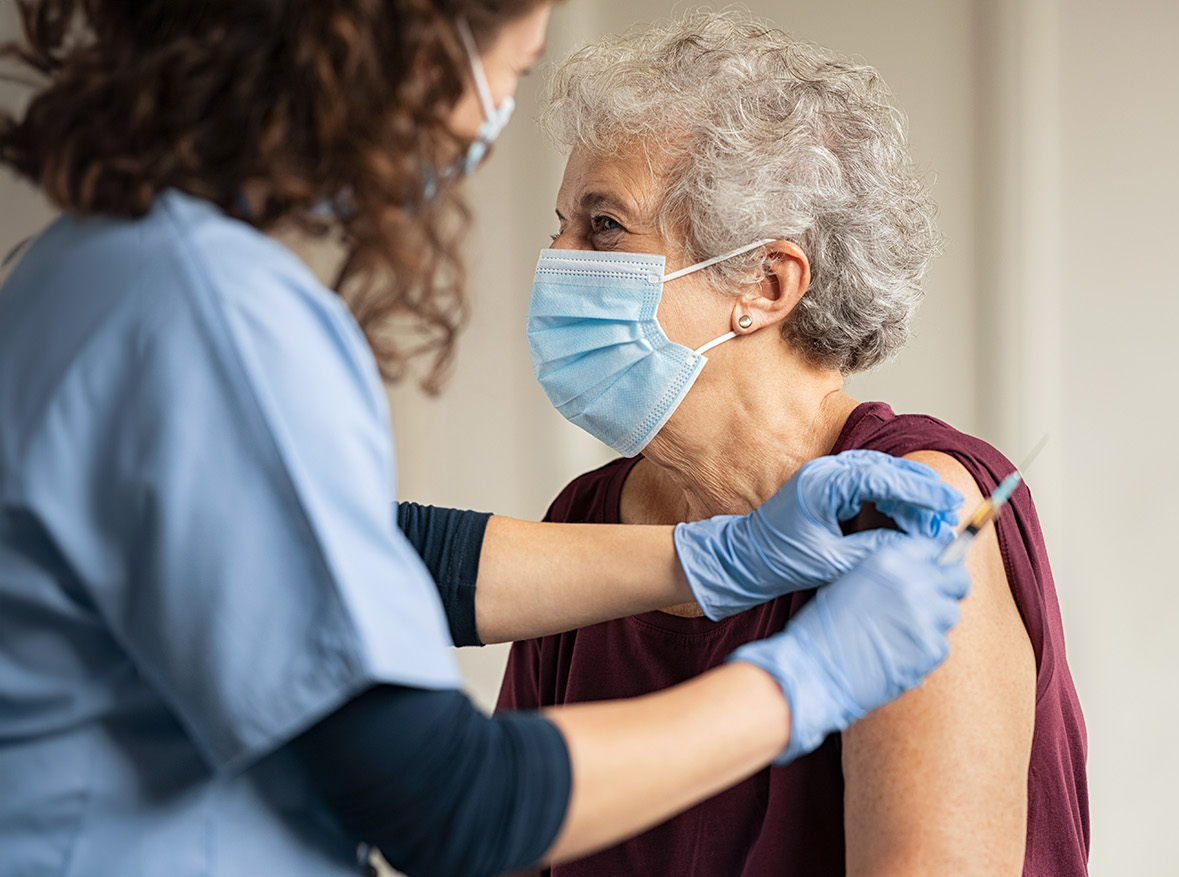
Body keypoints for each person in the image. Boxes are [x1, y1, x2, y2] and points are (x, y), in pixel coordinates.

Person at [0, 3, 974, 876]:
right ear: (419, 50)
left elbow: (344, 559)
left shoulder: (100, 269)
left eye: (601, 226)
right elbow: (449, 802)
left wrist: (711, 559)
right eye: (513, 70)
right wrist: (805, 683)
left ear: (767, 285)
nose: (488, 116)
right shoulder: (211, 314)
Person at [492, 10, 1090, 876]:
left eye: (604, 226)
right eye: (562, 227)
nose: (558, 261)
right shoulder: (585, 522)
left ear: (766, 284)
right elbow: (491, 822)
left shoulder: (909, 518)